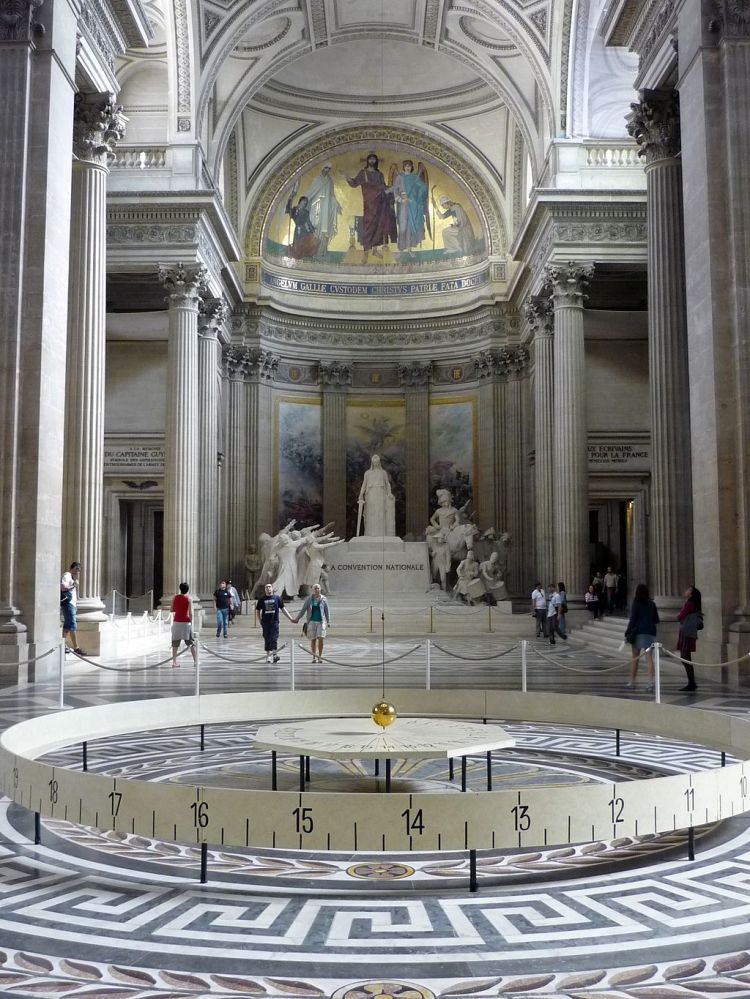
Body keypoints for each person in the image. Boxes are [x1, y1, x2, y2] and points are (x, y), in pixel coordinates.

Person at [345, 152, 397, 261]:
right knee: (368, 228)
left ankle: (375, 250)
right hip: (369, 204)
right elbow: (354, 183)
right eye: (370, 159)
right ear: (367, 161)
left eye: (374, 159)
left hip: (380, 203)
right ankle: (366, 253)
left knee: (378, 227)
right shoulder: (363, 173)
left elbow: (383, 187)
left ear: (376, 161)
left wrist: (391, 189)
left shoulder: (379, 174)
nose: (372, 161)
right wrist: (348, 178)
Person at [624, 583, 660, 690]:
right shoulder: (652, 604)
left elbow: (632, 620)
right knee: (649, 659)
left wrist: (627, 633)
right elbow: (656, 619)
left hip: (638, 633)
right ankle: (650, 682)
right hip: (650, 633)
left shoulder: (636, 603)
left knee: (635, 658)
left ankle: (632, 681)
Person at [391, 159, 429, 251]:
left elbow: (423, 187)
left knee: (410, 228)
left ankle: (409, 248)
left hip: (412, 204)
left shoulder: (415, 177)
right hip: (403, 205)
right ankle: (401, 248)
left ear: (412, 167)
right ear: (403, 167)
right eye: (406, 166)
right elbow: (395, 190)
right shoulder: (400, 177)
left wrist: (419, 193)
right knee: (403, 227)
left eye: (409, 166)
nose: (407, 168)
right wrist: (401, 199)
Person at [305, 163, 342, 256]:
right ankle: (310, 251)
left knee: (324, 228)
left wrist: (336, 204)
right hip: (316, 207)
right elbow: (310, 193)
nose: (327, 170)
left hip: (326, 209)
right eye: (326, 168)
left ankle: (320, 252)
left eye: (329, 169)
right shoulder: (317, 180)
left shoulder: (330, 181)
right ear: (322, 168)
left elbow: (332, 195)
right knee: (314, 225)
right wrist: (303, 202)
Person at [357, 454, 396, 537]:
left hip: (381, 494)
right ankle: (369, 533)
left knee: (380, 513)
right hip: (370, 495)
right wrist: (361, 494)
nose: (376, 464)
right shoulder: (367, 473)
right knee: (371, 514)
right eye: (374, 463)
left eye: (377, 462)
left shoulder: (383, 473)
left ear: (379, 463)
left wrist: (389, 493)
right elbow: (364, 484)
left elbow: (387, 484)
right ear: (372, 463)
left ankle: (381, 533)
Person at [256, 582, 294, 663]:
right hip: (265, 622)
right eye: (267, 587)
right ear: (265, 589)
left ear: (272, 588)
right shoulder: (262, 599)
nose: (268, 588)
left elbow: (283, 609)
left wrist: (290, 618)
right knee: (267, 639)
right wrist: (260, 620)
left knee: (274, 638)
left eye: (270, 587)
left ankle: (275, 655)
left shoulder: (277, 598)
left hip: (274, 622)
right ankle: (268, 656)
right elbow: (258, 610)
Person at [294, 582, 331, 663]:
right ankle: (314, 657)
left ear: (320, 589)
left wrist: (328, 621)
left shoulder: (324, 599)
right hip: (311, 621)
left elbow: (326, 611)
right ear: (313, 590)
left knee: (321, 638)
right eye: (315, 588)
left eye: (318, 588)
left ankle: (320, 657)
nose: (317, 590)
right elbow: (303, 610)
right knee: (313, 639)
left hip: (321, 621)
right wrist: (297, 618)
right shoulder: (309, 599)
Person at [677, 585, 702, 692]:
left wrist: (679, 614)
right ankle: (691, 682)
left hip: (687, 634)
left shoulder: (689, 604)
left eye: (688, 590)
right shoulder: (691, 604)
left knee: (685, 657)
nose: (685, 590)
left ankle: (691, 683)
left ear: (691, 594)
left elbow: (680, 617)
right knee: (686, 657)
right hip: (688, 633)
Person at [60, 561, 85, 655]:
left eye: (79, 571)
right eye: (78, 570)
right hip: (68, 604)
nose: (78, 572)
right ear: (74, 568)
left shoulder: (71, 577)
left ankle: (62, 645)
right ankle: (76, 648)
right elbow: (63, 587)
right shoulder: (67, 575)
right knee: (72, 625)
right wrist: (74, 585)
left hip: (72, 604)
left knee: (67, 626)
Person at [170, 582, 197, 668]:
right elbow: (191, 612)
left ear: (180, 589)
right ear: (188, 589)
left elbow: (171, 609)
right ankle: (195, 661)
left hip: (176, 622)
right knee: (191, 643)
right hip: (186, 622)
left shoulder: (175, 597)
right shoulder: (189, 598)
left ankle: (174, 662)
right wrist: (191, 622)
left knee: (175, 644)